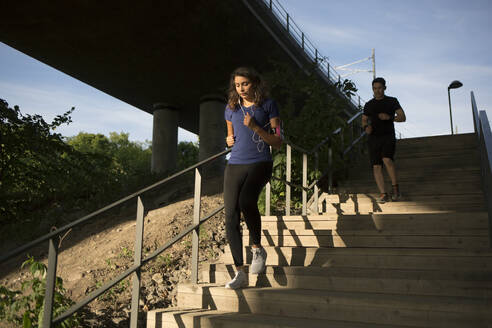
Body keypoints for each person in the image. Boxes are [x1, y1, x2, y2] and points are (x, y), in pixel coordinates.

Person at [223, 67, 283, 289]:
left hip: (260, 162)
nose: (241, 88)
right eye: (237, 85)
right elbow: (230, 135)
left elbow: (277, 141)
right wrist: (228, 140)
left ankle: (257, 248)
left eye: (245, 84)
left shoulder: (268, 105)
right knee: (230, 215)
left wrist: (256, 126)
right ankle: (240, 272)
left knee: (246, 201)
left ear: (254, 83)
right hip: (235, 163)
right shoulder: (231, 108)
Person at [361, 77, 406, 203]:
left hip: (388, 136)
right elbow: (364, 119)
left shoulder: (392, 101)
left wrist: (390, 117)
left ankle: (395, 189)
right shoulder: (369, 104)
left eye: (380, 88)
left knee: (387, 159)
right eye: (375, 88)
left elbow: (402, 117)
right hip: (373, 138)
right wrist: (366, 127)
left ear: (384, 88)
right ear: (372, 89)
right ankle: (383, 194)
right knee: (376, 166)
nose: (377, 91)